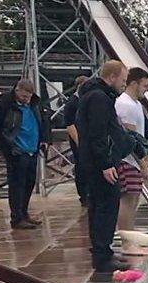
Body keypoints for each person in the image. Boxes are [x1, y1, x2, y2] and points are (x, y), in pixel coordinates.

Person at [77, 60, 147, 272]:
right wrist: (106, 163)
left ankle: (104, 252)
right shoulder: (99, 98)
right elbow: (99, 133)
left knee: (100, 207)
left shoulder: (96, 96)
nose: (123, 85)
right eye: (123, 80)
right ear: (112, 77)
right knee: (105, 207)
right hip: (102, 164)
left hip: (95, 161)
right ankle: (102, 256)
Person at [0, 78, 49, 230]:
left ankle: (24, 213)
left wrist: (45, 139)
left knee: (29, 183)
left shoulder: (35, 103)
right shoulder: (5, 103)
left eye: (28, 97)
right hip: (17, 151)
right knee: (17, 184)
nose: (26, 100)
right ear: (17, 91)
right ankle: (16, 217)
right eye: (23, 97)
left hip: (32, 149)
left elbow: (44, 121)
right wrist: (7, 145)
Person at [114, 67, 148, 256]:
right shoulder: (126, 105)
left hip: (134, 159)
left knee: (134, 199)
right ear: (133, 83)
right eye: (144, 85)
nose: (146, 89)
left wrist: (147, 158)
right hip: (127, 159)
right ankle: (126, 243)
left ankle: (129, 237)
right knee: (128, 200)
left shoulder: (136, 104)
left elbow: (141, 136)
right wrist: (143, 161)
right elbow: (130, 138)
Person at [62, 75, 89, 206]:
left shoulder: (85, 101)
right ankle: (83, 195)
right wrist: (79, 142)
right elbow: (70, 125)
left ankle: (88, 193)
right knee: (81, 167)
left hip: (86, 137)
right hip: (79, 139)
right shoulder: (72, 102)